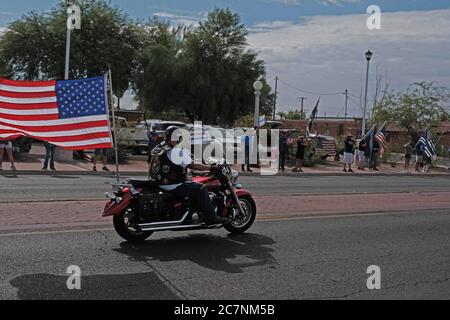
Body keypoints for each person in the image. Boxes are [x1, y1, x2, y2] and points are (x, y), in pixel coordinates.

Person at [149, 126, 228, 225]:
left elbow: (177, 167)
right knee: (200, 188)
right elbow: (193, 165)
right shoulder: (176, 152)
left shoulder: (161, 149)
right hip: (173, 185)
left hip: (160, 183)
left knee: (192, 184)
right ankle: (211, 217)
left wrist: (199, 172)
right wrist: (211, 168)